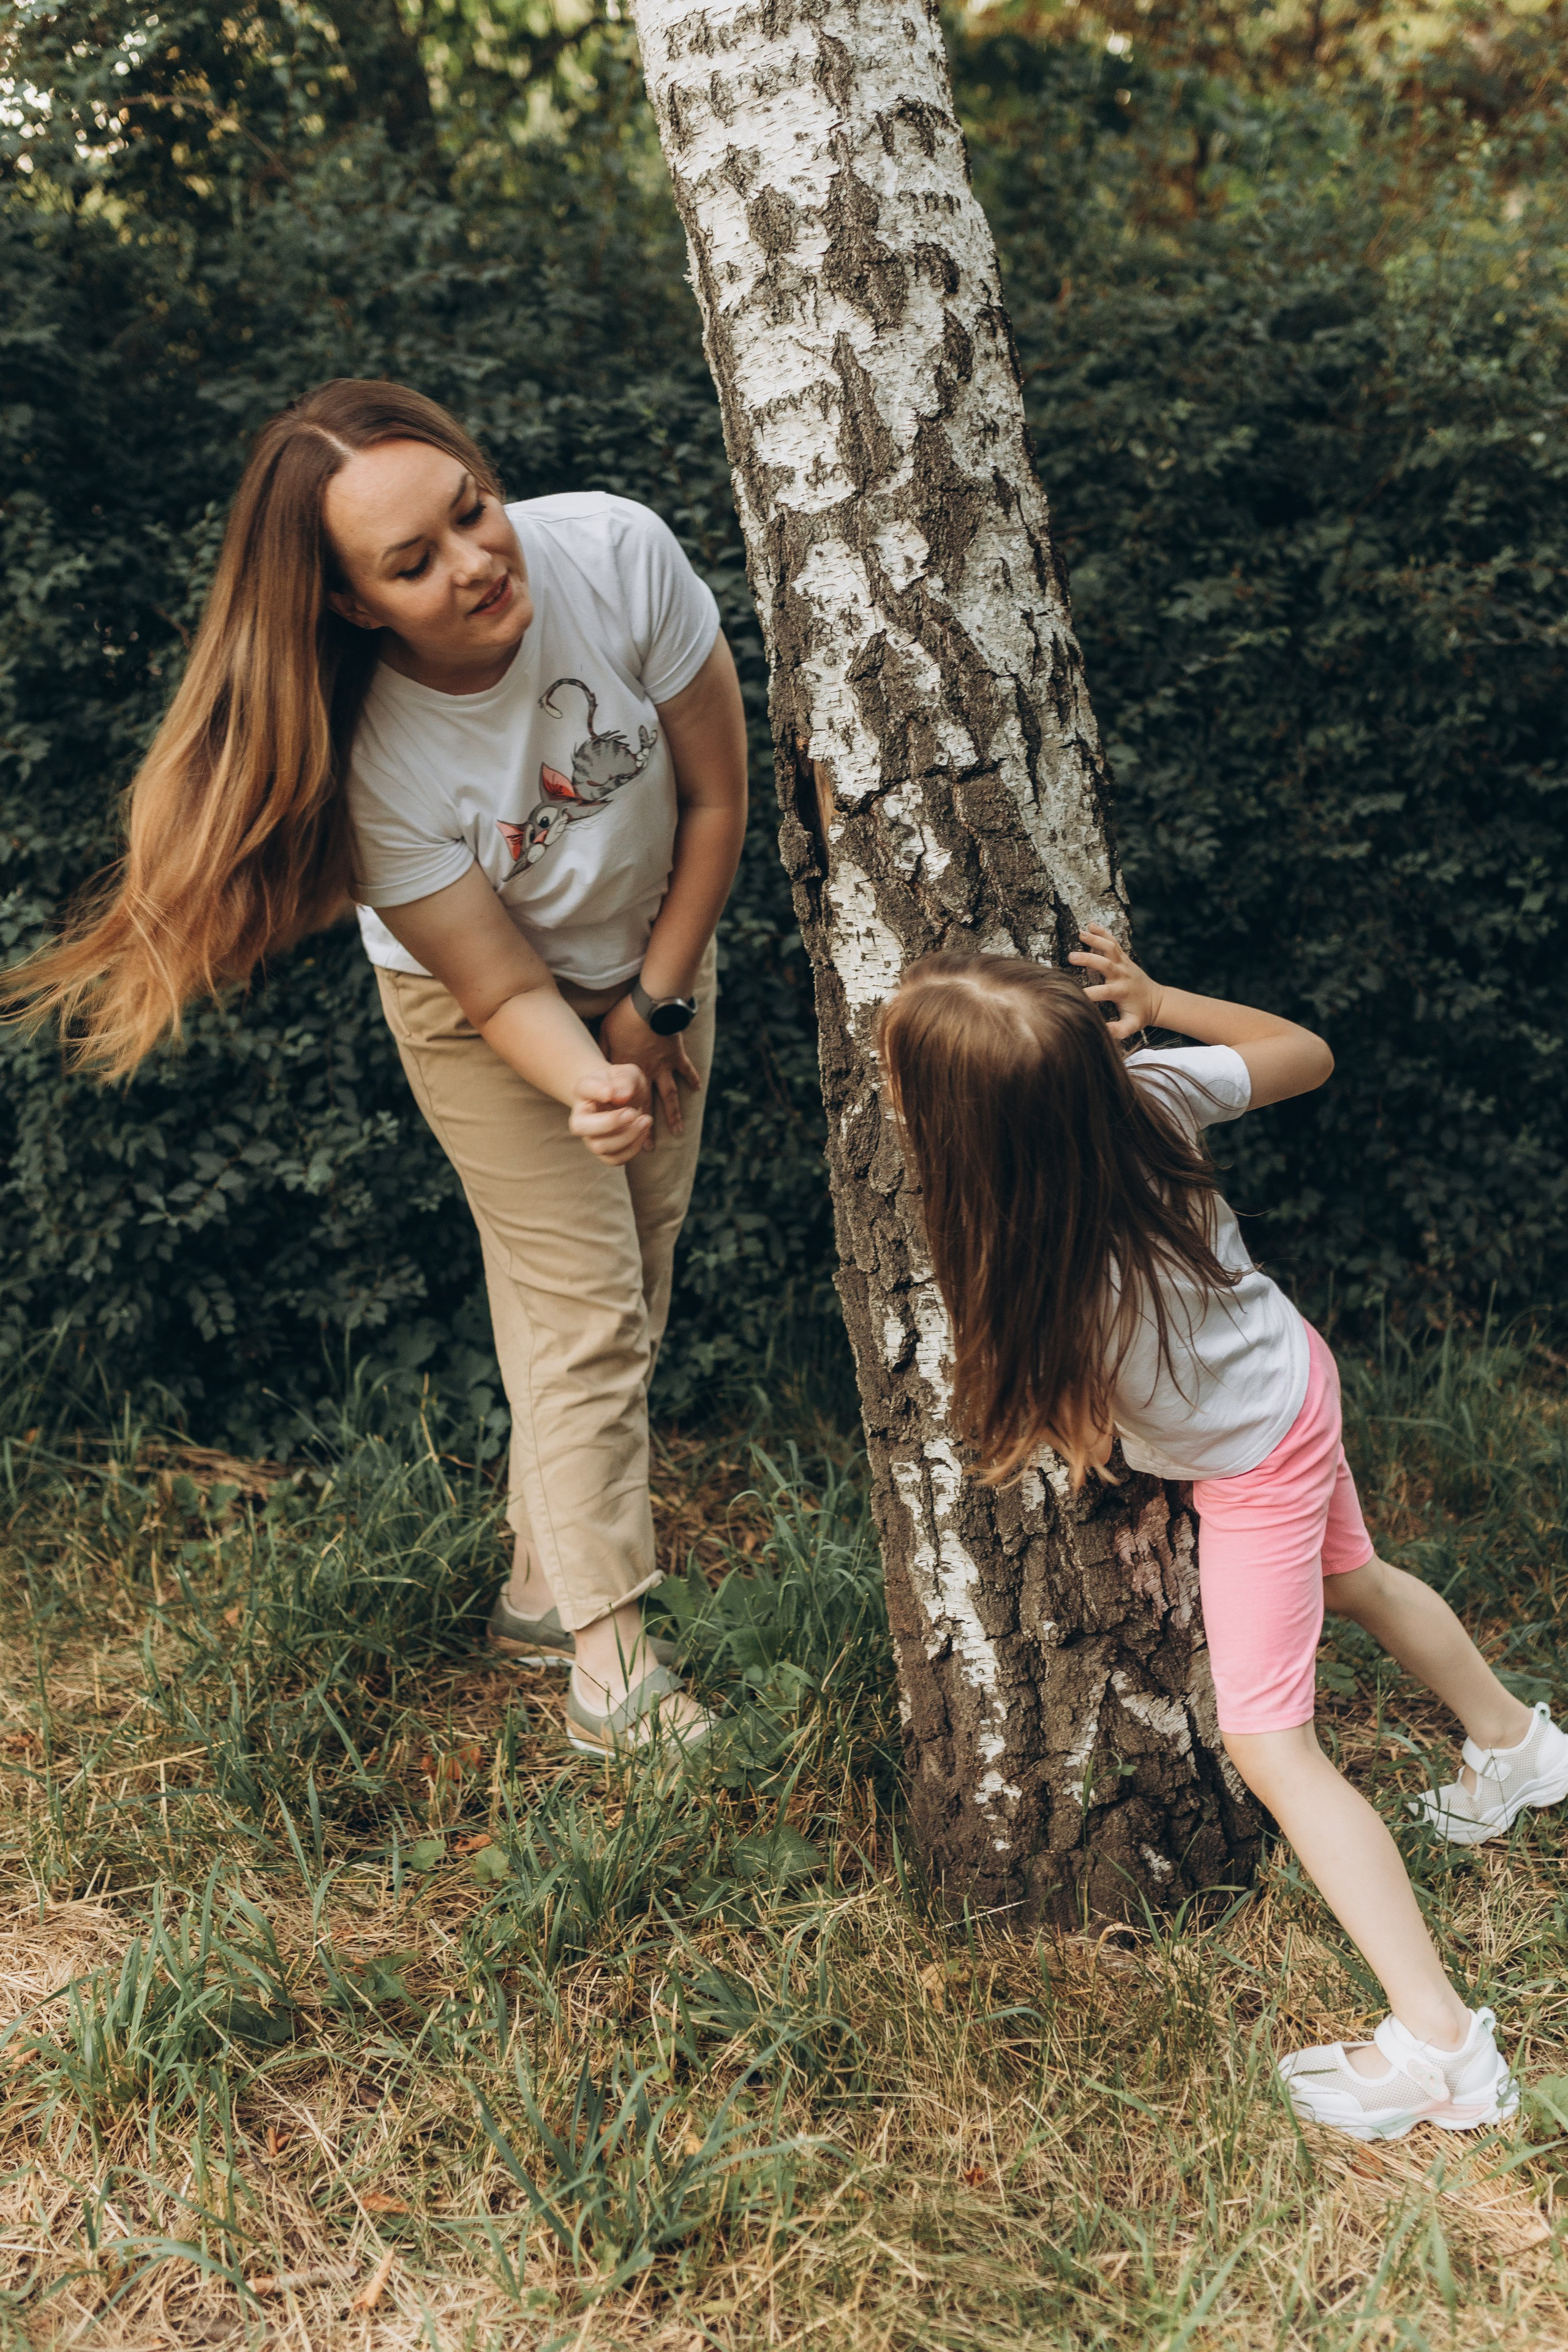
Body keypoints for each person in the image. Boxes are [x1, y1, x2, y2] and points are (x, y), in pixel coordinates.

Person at [6, 379, 747, 1758]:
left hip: (657, 964)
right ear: (355, 605)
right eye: (414, 562)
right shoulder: (371, 760)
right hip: (482, 1021)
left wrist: (656, 1006)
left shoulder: (615, 552)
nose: (474, 560)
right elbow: (498, 984)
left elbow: (713, 795)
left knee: (625, 1279)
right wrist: (587, 1078)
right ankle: (611, 1671)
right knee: (584, 1304)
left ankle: (547, 1578)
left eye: (470, 509)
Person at [878, 927, 1568, 2141]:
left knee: (1270, 1750)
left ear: (954, 1127)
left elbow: (1059, 1416)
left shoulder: (1027, 1254)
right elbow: (1301, 1052)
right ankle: (1515, 1745)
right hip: (1288, 1375)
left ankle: (1439, 2045)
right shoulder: (1146, 1095)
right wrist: (1162, 1003)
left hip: (1251, 1460)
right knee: (1349, 1575)